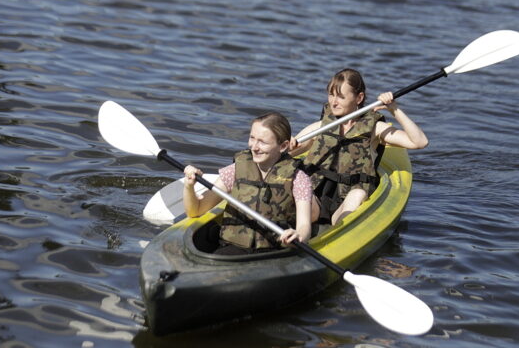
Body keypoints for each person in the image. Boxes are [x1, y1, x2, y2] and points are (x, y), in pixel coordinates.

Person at [290, 68, 428, 225]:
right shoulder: (321, 126)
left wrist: (394, 109)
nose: (333, 102)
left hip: (347, 202)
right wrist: (288, 145)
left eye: (341, 97)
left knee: (358, 194)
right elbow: (288, 152)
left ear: (359, 98)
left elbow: (419, 142)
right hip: (316, 198)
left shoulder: (375, 128)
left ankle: (339, 235)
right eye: (331, 94)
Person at [183, 112, 318, 255]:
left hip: (274, 252)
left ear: (283, 146)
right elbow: (196, 210)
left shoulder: (298, 178)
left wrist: (298, 236)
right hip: (233, 248)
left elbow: (304, 226)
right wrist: (189, 186)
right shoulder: (235, 170)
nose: (254, 147)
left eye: (262, 142)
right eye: (252, 138)